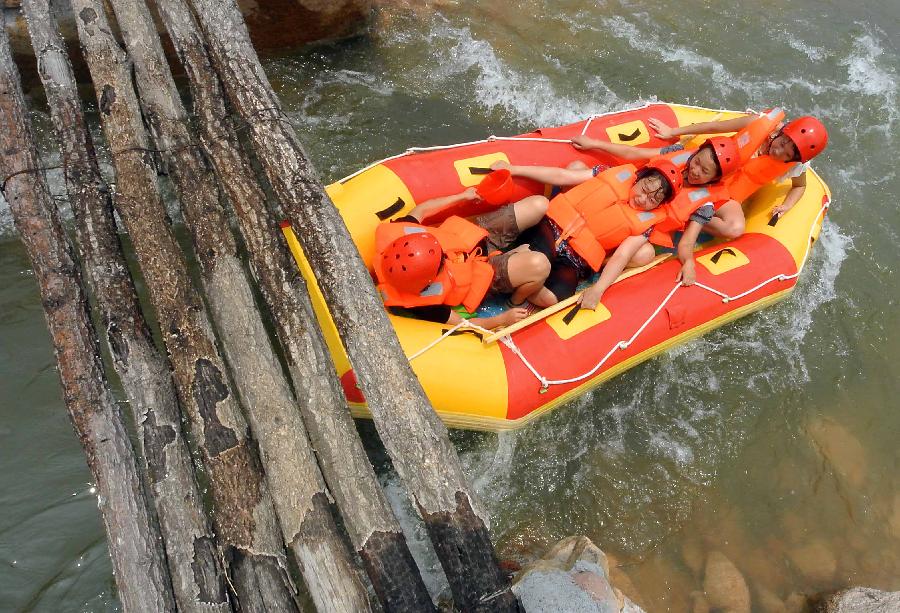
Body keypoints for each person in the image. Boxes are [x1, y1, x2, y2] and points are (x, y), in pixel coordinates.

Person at [490, 159, 683, 310]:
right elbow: (562, 176)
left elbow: (622, 256)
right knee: (535, 259)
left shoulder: (645, 225)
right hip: (551, 228)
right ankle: (513, 272)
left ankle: (522, 274)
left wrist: (598, 290)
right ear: (638, 179)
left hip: (575, 260)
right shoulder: (607, 173)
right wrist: (513, 169)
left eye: (652, 200)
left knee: (551, 298)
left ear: (658, 205)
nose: (642, 199)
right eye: (644, 189)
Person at [373, 187, 551, 328]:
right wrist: (502, 319)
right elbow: (462, 324)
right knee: (539, 264)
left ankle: (515, 252)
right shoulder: (424, 306)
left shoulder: (400, 237)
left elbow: (421, 209)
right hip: (484, 273)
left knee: (539, 204)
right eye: (442, 261)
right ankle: (514, 301)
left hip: (474, 235)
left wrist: (461, 196)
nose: (445, 256)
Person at [648, 110, 828, 233]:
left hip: (728, 194)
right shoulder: (758, 123)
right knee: (662, 178)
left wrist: (786, 206)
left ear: (794, 159)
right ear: (781, 133)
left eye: (786, 154)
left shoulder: (796, 165)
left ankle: (689, 217)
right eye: (781, 144)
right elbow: (716, 128)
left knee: (735, 228)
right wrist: (673, 131)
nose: (778, 152)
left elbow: (799, 186)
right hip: (710, 169)